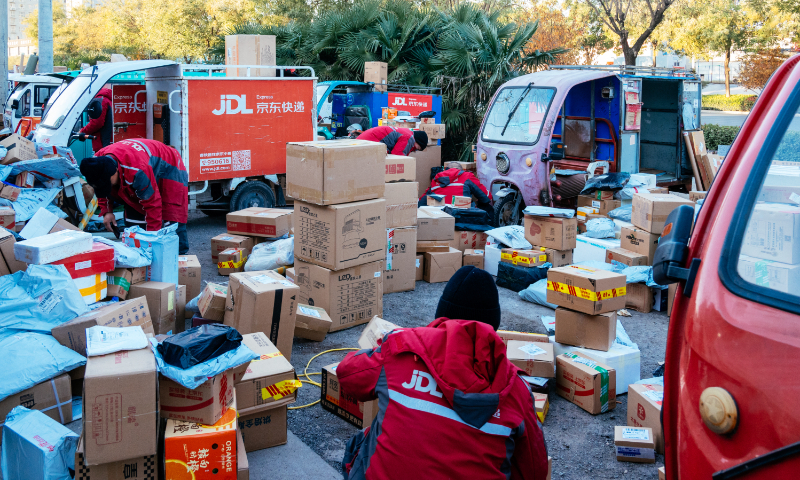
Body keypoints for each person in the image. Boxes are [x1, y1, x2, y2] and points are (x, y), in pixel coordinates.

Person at [338, 266, 548, 479]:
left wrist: (386, 347)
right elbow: (535, 470)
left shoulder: (403, 347)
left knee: (363, 438)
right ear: (493, 326)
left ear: (441, 314)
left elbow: (347, 374)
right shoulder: (516, 389)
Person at [79, 138, 190, 254]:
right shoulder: (97, 163)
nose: (108, 187)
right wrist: (107, 211)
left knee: (171, 220)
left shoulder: (137, 170)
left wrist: (152, 241)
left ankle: (178, 260)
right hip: (141, 165)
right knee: (134, 226)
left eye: (108, 183)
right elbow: (102, 189)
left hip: (169, 168)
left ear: (115, 170)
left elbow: (153, 205)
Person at [79, 87, 114, 152]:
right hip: (107, 142)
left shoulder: (99, 100)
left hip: (103, 143)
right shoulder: (106, 98)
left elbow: (97, 123)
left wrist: (82, 132)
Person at [357, 125, 428, 156]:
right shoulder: (409, 138)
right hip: (368, 142)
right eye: (418, 148)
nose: (415, 150)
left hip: (364, 140)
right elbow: (397, 157)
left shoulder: (406, 132)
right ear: (418, 141)